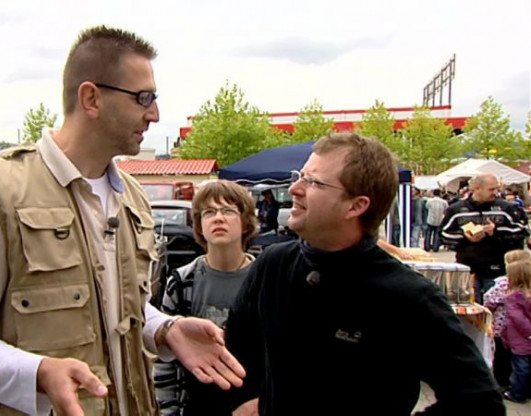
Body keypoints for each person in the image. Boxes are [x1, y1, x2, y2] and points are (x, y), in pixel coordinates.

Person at [0, 26, 244, 416]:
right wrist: (38, 373)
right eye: (143, 98)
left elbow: (121, 309)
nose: (155, 114)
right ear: (91, 98)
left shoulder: (132, 198)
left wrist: (165, 329)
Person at [225, 132, 504, 415]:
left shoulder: (408, 296)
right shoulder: (273, 264)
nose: (295, 188)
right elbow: (236, 348)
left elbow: (480, 402)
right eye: (300, 176)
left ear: (356, 206)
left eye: (314, 182)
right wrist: (246, 401)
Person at [154, 180, 258, 415]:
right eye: (209, 212)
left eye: (228, 211)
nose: (218, 218)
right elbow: (165, 359)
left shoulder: (265, 280)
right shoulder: (181, 282)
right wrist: (168, 410)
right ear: (199, 225)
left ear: (245, 223)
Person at [440, 173, 528, 304]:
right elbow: (444, 234)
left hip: (497, 268)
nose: (495, 193)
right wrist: (465, 237)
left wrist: (495, 232)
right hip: (468, 267)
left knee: (496, 306)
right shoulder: (456, 209)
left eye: (497, 188)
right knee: (469, 306)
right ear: (476, 188)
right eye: (491, 189)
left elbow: (522, 231)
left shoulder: (506, 208)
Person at [484, 249, 531, 390]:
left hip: (504, 328)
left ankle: (505, 384)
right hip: (523, 332)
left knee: (503, 357)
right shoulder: (527, 286)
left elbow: (489, 300)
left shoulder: (504, 285)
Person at [500, 258, 531, 403]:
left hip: (520, 339)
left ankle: (517, 393)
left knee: (520, 368)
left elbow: (517, 317)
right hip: (524, 337)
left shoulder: (513, 297)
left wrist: (528, 332)